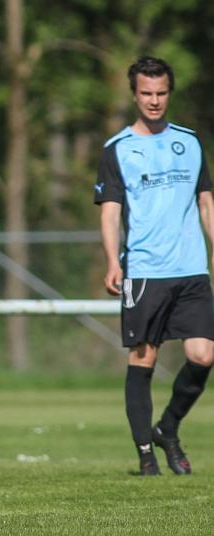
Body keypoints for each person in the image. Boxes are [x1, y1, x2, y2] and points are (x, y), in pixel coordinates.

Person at [95, 56, 214, 476]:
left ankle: (169, 427)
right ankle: (146, 453)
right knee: (142, 361)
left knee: (203, 355)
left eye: (161, 93)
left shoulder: (190, 142)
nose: (154, 100)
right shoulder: (118, 150)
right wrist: (113, 261)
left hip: (192, 268)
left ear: (169, 92)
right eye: (146, 93)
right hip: (145, 270)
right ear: (134, 94)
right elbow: (110, 212)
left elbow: (205, 202)